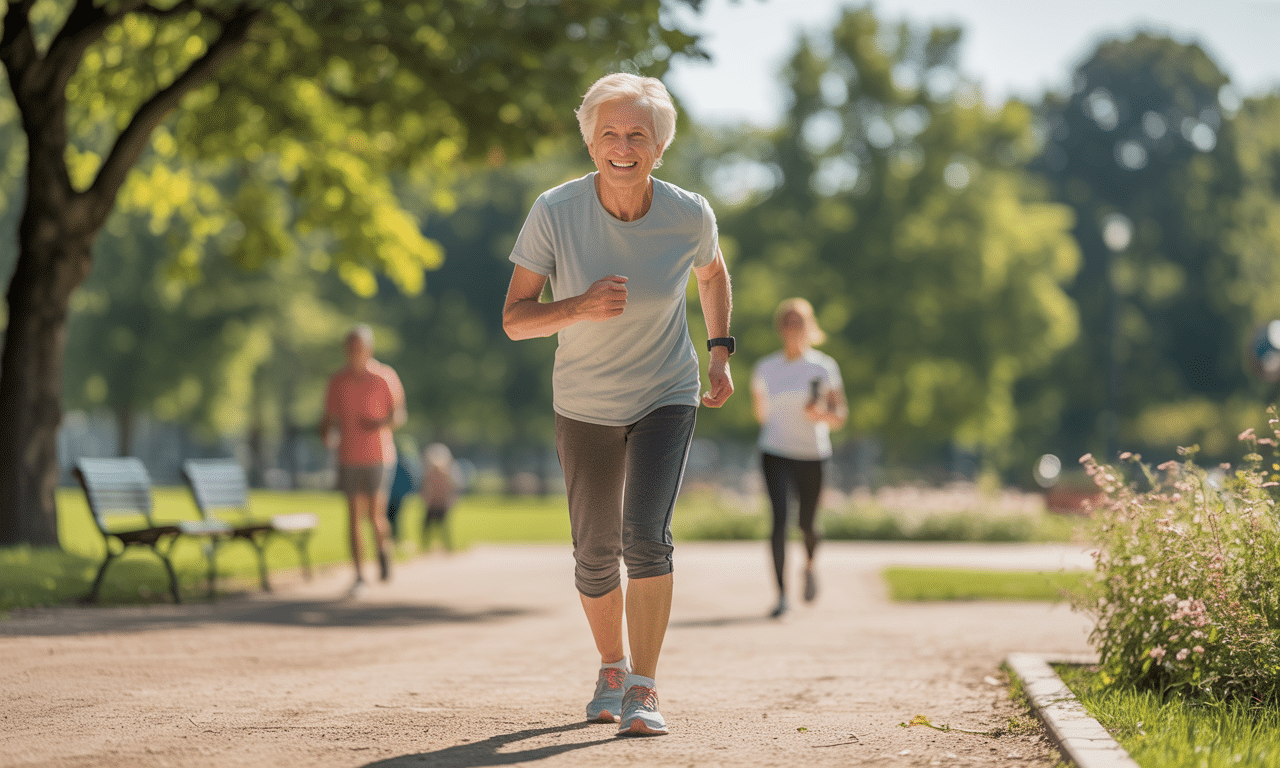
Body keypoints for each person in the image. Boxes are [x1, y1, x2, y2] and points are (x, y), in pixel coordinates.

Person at [502, 72, 733, 737]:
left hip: (667, 391)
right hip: (584, 400)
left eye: (638, 133)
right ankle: (611, 665)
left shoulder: (689, 212)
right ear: (590, 141)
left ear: (659, 145)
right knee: (595, 551)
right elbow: (516, 319)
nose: (623, 145)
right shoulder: (555, 211)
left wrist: (719, 350)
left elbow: (712, 272)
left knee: (645, 537)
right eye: (610, 132)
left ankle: (644, 687)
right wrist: (577, 307)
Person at [751, 298, 847, 619]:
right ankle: (781, 596)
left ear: (809, 326)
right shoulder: (765, 368)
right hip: (775, 451)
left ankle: (809, 566)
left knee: (807, 523)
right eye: (788, 322)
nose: (793, 327)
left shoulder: (824, 367)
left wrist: (819, 414)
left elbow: (839, 416)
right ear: (781, 328)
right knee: (779, 522)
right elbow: (761, 413)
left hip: (812, 453)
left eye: (799, 321)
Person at [319, 324, 407, 598]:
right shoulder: (337, 381)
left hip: (379, 455)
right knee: (354, 516)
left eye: (359, 347)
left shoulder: (384, 377)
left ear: (368, 349)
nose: (354, 352)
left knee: (375, 514)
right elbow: (329, 419)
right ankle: (358, 574)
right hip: (348, 455)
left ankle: (383, 550)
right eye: (350, 347)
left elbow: (399, 416)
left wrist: (379, 423)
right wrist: (326, 434)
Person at [419, 442, 460, 553]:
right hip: (432, 504)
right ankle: (425, 546)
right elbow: (426, 490)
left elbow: (451, 491)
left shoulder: (446, 475)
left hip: (441, 505)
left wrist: (449, 502)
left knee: (444, 528)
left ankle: (448, 547)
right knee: (426, 527)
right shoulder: (430, 474)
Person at [385, 445, 419, 543]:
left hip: (390, 495)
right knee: (396, 518)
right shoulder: (405, 463)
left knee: (389, 518)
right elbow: (410, 479)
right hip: (398, 496)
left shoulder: (390, 462)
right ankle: (394, 538)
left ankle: (391, 538)